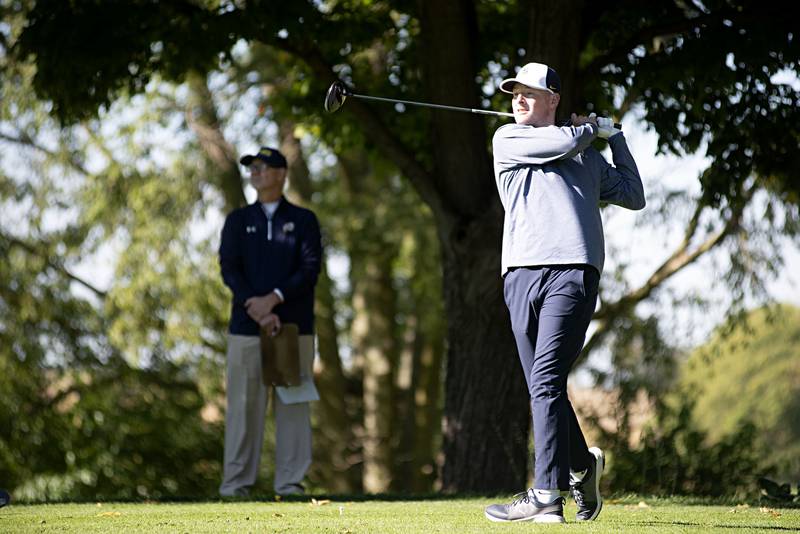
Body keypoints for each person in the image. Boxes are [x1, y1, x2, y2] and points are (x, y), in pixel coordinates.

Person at [484, 62, 645, 523]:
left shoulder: (587, 155)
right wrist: (592, 129)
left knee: (547, 380)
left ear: (553, 99)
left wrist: (615, 139)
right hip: (519, 274)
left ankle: (545, 496)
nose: (517, 99)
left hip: (572, 273)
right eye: (513, 92)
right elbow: (562, 140)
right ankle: (581, 466)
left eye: (529, 93)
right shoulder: (509, 139)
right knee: (542, 385)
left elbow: (634, 195)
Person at [218, 146, 322, 497]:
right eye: (252, 168)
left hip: (292, 329)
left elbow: (309, 270)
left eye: (263, 167)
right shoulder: (237, 220)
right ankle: (236, 486)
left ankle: (290, 484)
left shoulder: (304, 220)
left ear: (281, 174)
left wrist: (274, 300)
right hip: (247, 328)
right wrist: (257, 307)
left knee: (292, 407)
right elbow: (229, 268)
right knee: (243, 410)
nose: (256, 172)